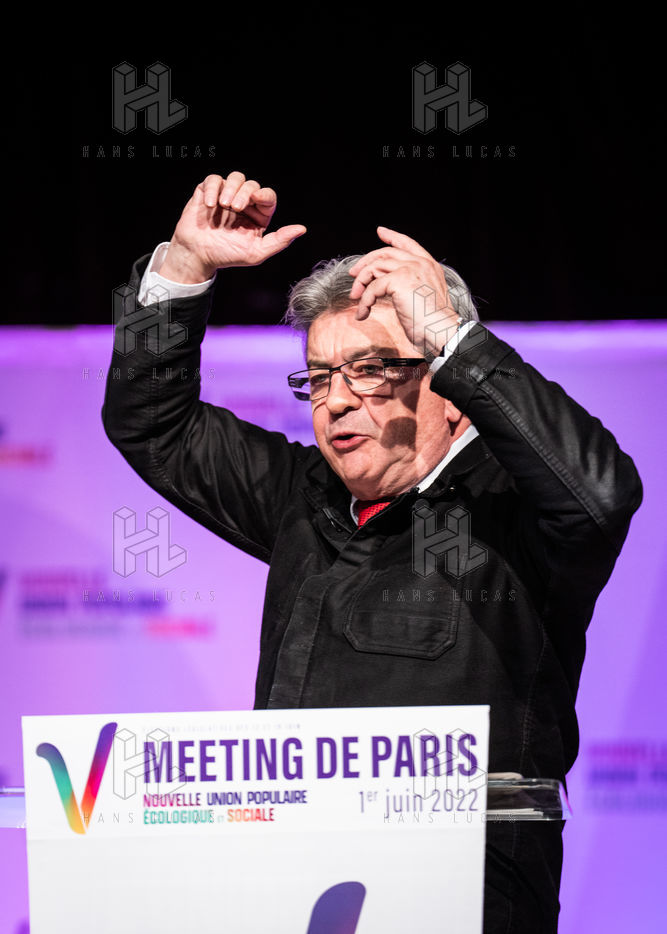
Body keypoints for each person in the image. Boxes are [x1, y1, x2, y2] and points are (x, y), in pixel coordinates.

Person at [102, 171, 643, 933]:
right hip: (289, 888)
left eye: (370, 370)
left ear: (450, 389)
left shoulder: (516, 514)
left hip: (458, 896)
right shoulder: (302, 497)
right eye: (321, 376)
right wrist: (185, 268)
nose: (336, 399)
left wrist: (452, 336)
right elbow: (153, 424)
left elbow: (600, 493)